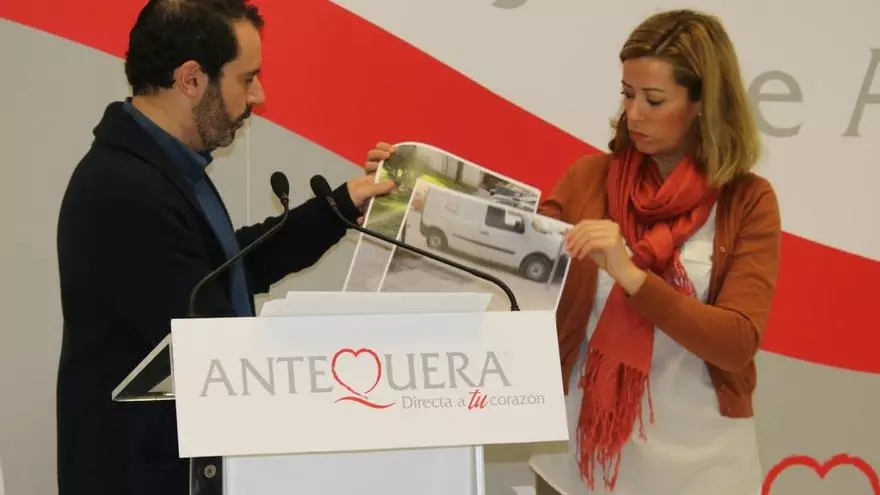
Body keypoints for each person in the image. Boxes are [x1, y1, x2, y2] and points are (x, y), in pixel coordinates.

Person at [367, 7, 781, 495]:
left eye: (654, 99)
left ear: (703, 104)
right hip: (574, 463)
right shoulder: (588, 179)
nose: (634, 113)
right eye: (627, 94)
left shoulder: (748, 200)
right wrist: (405, 190)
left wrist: (633, 277)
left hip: (702, 470)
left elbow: (736, 343)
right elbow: (503, 263)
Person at [55, 1, 394, 494]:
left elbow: (225, 270)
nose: (259, 95)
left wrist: (342, 205)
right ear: (192, 79)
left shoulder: (164, 167)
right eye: (247, 78)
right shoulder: (122, 189)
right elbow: (209, 335)